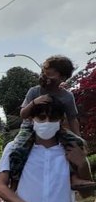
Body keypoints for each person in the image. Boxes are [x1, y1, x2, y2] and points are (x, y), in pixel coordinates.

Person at [12, 56, 92, 192]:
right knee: (18, 148)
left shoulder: (66, 96)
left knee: (76, 146)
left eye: (50, 75)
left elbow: (72, 119)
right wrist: (34, 102)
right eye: (44, 73)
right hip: (30, 126)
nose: (45, 77)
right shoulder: (34, 91)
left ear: (63, 77)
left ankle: (74, 177)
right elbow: (23, 115)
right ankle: (13, 182)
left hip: (56, 127)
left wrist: (78, 138)